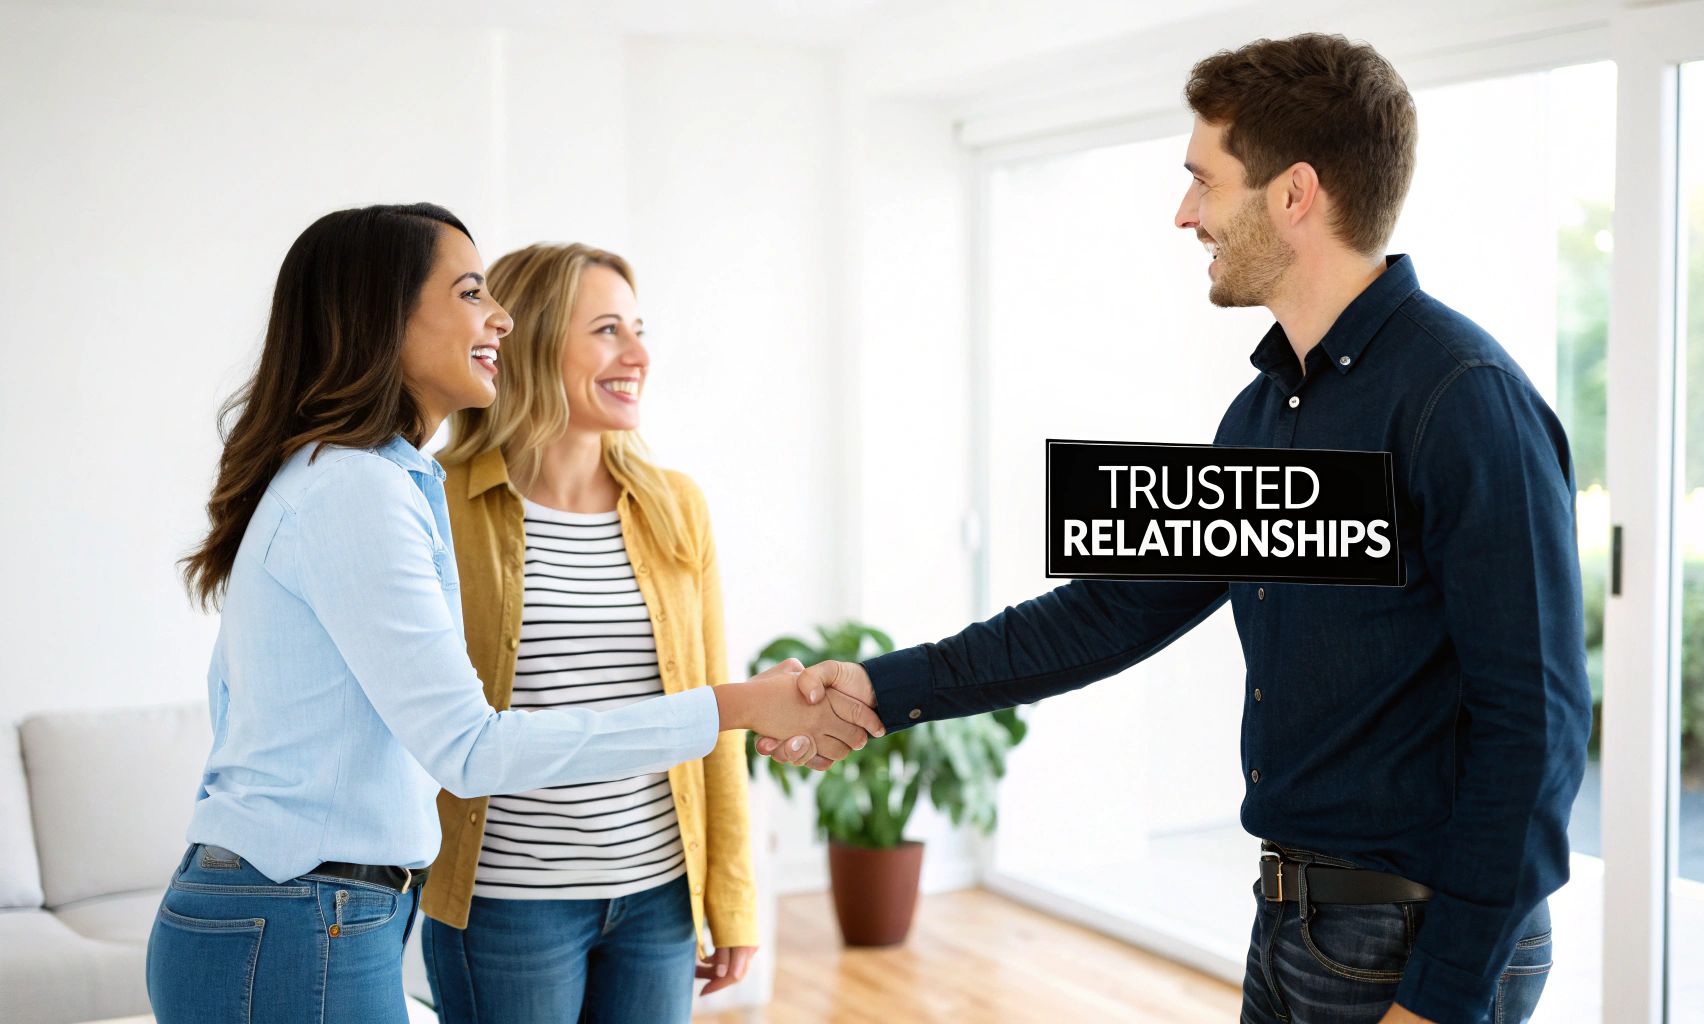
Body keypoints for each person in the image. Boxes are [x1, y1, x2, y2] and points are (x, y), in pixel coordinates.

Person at [760, 34, 1591, 1024]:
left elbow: (1533, 730)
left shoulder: (1461, 401)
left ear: (1293, 195)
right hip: (1294, 922)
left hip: (1411, 945)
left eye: (1202, 181)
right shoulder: (1263, 410)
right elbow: (1111, 610)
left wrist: (1441, 998)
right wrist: (881, 686)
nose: (1184, 212)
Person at [148, 204, 880, 1023]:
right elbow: (469, 747)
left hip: (339, 910)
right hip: (320, 913)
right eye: (470, 292)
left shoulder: (376, 482)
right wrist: (738, 707)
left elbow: (242, 700)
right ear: (383, 316)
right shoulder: (362, 489)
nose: (497, 314)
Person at [418, 243, 759, 1022]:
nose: (638, 354)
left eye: (639, 330)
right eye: (608, 330)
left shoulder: (676, 507)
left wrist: (731, 898)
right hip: (507, 905)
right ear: (534, 340)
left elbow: (718, 714)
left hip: (658, 901)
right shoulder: (438, 501)